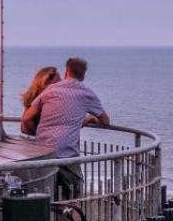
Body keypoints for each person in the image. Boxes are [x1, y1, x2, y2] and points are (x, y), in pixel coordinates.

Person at [21, 56, 109, 198]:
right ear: (84, 74)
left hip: (43, 154)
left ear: (67, 70)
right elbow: (105, 121)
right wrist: (88, 119)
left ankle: (49, 219)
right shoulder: (86, 93)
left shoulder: (49, 91)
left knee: (45, 197)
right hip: (67, 156)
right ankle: (72, 219)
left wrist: (37, 134)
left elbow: (26, 119)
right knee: (74, 198)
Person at [19, 66, 60, 135]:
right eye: (58, 79)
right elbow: (26, 119)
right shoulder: (45, 98)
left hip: (30, 139)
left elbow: (23, 125)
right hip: (43, 140)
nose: (61, 82)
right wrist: (38, 134)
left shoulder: (32, 96)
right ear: (48, 81)